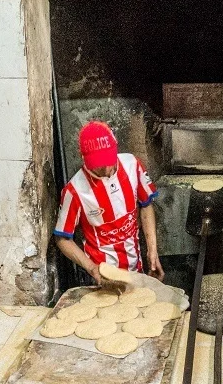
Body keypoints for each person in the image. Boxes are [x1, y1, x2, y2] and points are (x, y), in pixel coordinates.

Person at [54, 120, 164, 286]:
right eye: (98, 165)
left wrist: (152, 251)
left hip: (136, 268)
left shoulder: (132, 165)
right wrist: (91, 268)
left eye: (108, 161)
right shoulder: (75, 190)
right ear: (82, 157)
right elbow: (62, 239)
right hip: (102, 278)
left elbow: (146, 204)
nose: (106, 170)